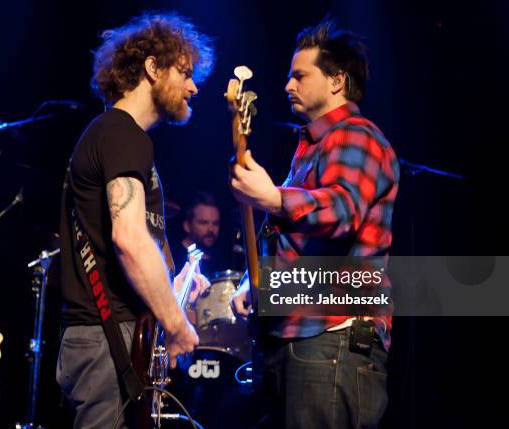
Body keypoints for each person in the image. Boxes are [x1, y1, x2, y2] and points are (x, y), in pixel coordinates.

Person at [230, 17, 400, 428]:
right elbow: (291, 238)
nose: (288, 85)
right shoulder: (312, 147)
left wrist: (272, 196)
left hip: (330, 337)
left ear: (337, 81)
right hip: (301, 337)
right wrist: (258, 284)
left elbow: (341, 211)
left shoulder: (357, 136)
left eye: (300, 76)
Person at [56, 12, 214, 428]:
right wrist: (177, 325)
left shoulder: (118, 137)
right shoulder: (122, 134)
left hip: (110, 341)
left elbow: (127, 241)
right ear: (152, 67)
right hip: (106, 342)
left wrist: (172, 285)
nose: (193, 86)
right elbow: (128, 239)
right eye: (184, 72)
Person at [171, 191, 225, 276]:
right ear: (187, 226)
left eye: (215, 223)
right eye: (203, 223)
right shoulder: (172, 257)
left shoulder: (222, 260)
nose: (211, 229)